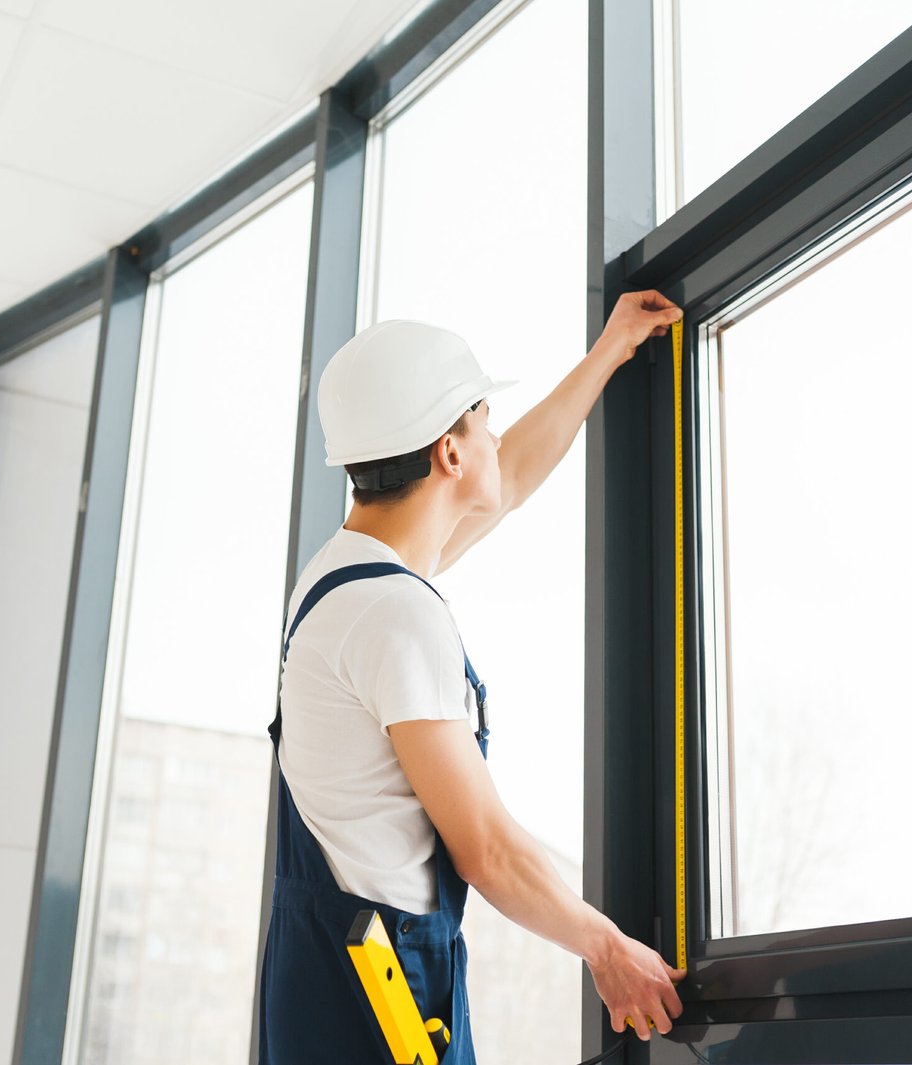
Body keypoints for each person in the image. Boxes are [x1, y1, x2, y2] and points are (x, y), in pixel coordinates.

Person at [258, 292, 686, 1064]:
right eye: (483, 420)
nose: (495, 436)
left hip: (329, 979)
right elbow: (485, 846)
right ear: (450, 455)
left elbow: (510, 478)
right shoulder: (395, 615)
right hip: (379, 1003)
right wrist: (606, 946)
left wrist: (609, 351)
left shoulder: (341, 582)